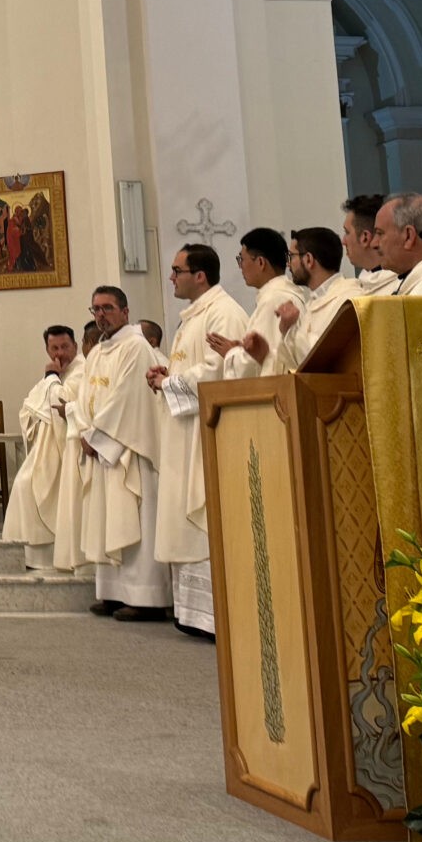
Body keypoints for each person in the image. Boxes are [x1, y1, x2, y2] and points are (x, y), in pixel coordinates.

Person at [156, 244, 250, 637]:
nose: (172, 277)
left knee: (205, 518)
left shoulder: (223, 312)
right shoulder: (194, 316)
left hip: (205, 433)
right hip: (185, 431)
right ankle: (192, 614)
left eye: (177, 270)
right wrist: (166, 377)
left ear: (200, 275)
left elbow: (219, 371)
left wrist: (170, 382)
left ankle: (214, 616)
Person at [76, 284, 169, 623]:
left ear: (125, 312)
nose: (101, 315)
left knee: (135, 520)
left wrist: (96, 435)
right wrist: (85, 431)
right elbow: (84, 394)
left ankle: (146, 597)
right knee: (107, 518)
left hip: (128, 448)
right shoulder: (98, 352)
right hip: (102, 447)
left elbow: (127, 397)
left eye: (108, 308)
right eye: (96, 309)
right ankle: (114, 592)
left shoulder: (136, 347)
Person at [2, 325, 83, 570]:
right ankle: (31, 557)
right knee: (23, 485)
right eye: (54, 348)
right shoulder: (57, 373)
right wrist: (50, 379)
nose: (60, 353)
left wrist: (50, 379)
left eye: (65, 347)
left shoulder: (81, 371)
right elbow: (31, 405)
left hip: (70, 449)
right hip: (48, 447)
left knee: (27, 485)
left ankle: (47, 557)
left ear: (75, 346)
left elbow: (60, 401)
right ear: (47, 349)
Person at [212, 227, 298, 374]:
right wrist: (240, 349)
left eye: (242, 260)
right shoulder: (282, 294)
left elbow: (264, 361)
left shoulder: (274, 300)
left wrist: (231, 354)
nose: (241, 267)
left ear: (260, 263)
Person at [273, 225, 357, 372]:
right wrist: (287, 329)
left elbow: (321, 357)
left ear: (309, 260)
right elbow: (297, 365)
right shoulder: (313, 302)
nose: (287, 264)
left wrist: (292, 327)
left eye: (291, 256)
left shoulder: (348, 299)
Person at [341, 194, 398, 296]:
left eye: (347, 232)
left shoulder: (401, 289)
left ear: (365, 238)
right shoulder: (359, 287)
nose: (343, 241)